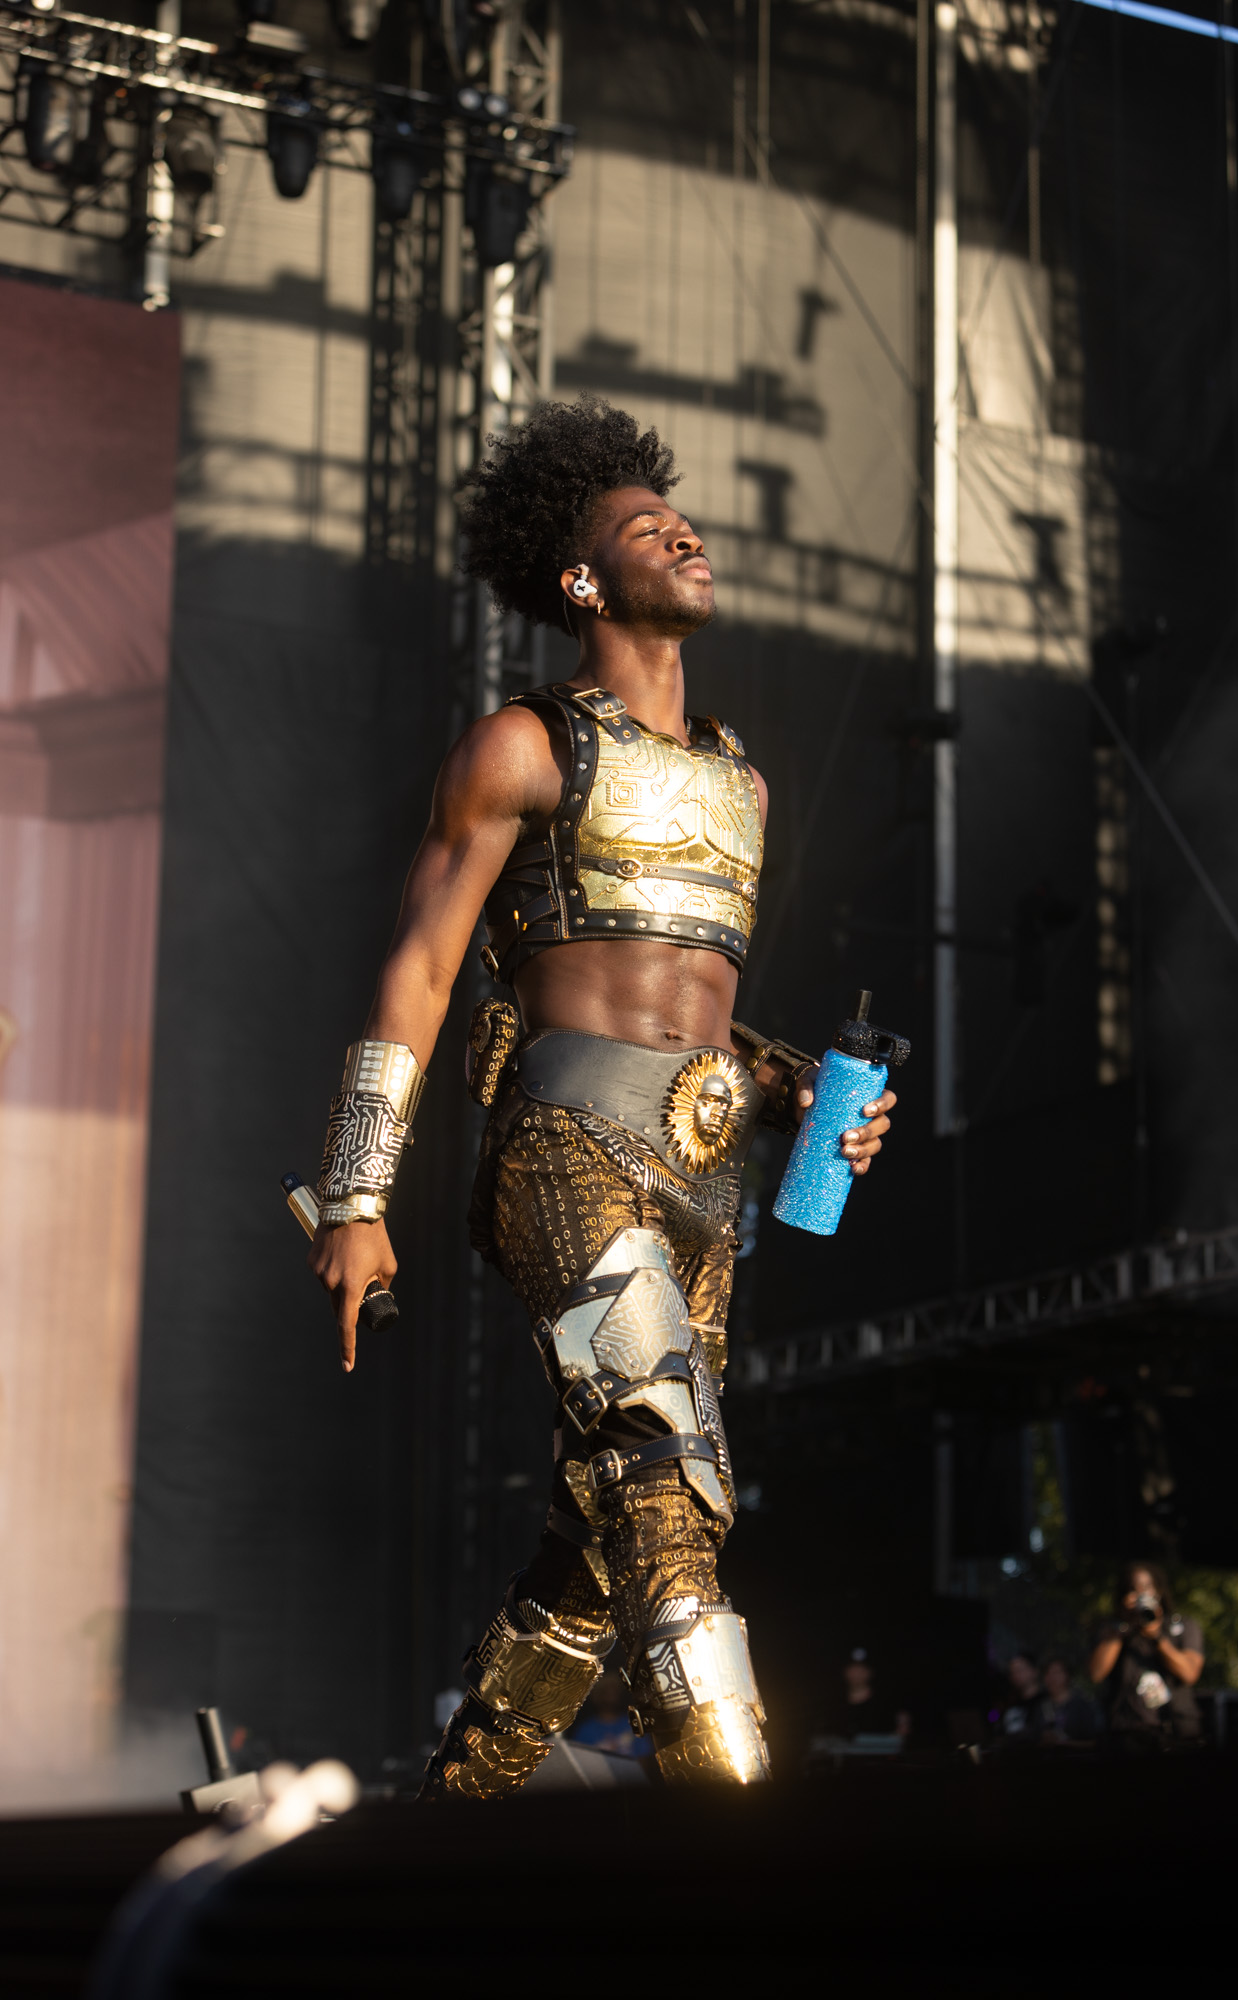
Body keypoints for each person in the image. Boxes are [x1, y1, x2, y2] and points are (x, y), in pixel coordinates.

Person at [306, 398, 898, 1795]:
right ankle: (733, 1831)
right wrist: (352, 1195)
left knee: (603, 1531)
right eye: (646, 528)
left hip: (706, 1183)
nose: (683, 536)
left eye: (679, 520)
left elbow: (685, 999)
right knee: (666, 1474)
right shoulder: (520, 747)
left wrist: (792, 1085)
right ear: (581, 580)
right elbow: (420, 967)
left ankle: (460, 1807)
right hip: (566, 1152)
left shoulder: (741, 782)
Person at [1089, 1562, 1204, 1744]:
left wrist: (1156, 1636)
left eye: (1146, 1587)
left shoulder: (1182, 1626)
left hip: (1176, 1733)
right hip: (1125, 1734)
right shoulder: (1114, 1630)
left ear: (1159, 1591)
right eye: (1133, 1589)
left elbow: (1190, 1673)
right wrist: (1124, 1624)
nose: (1141, 1594)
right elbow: (1096, 1674)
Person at [1039, 1656, 1099, 1745]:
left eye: (1056, 1672)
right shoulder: (1041, 1706)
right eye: (1048, 1673)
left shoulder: (1081, 1705)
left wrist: (1065, 1743)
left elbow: (1093, 1741)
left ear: (1067, 1675)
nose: (1052, 1678)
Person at [998, 1651, 1045, 1742]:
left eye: (1020, 1670)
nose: (1017, 1675)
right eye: (1013, 1672)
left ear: (1035, 1671)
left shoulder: (1048, 1703)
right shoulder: (1010, 1706)